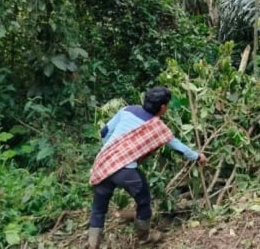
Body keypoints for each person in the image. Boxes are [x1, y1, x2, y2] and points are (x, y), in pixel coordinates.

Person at [87, 86, 207, 248]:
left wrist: (110, 149)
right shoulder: (158, 127)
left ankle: (92, 244)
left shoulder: (127, 110)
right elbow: (178, 147)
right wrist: (198, 156)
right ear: (163, 107)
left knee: (98, 208)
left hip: (103, 163)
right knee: (144, 200)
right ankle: (143, 238)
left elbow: (104, 132)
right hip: (125, 170)